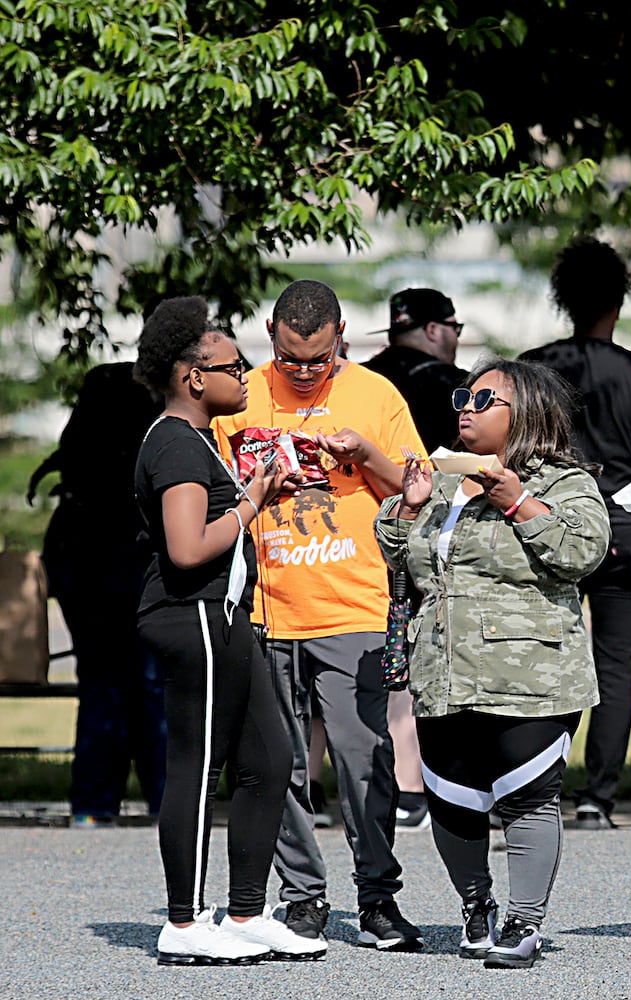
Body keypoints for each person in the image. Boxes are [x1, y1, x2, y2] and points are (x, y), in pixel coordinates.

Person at [375, 359, 610, 969]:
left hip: (532, 674)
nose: (466, 408)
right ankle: (476, 907)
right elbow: (405, 562)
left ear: (524, 414)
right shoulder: (446, 481)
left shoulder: (561, 481)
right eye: (463, 397)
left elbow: (583, 551)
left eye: (483, 400)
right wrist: (407, 508)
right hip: (444, 669)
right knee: (453, 796)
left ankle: (524, 921)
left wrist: (519, 502)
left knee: (528, 794)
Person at [215, 279, 426, 949]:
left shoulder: (376, 394)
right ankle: (302, 899)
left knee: (366, 760)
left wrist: (364, 455)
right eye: (290, 358)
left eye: (319, 359)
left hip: (356, 605)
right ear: (271, 334)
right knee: (278, 766)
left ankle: (377, 900)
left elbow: (418, 490)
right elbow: (213, 501)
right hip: (268, 610)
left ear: (343, 336)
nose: (304, 372)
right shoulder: (241, 397)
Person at [132, 297, 323, 964]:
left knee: (269, 759)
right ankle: (182, 923)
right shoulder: (176, 442)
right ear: (192, 376)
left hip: (227, 615)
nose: (245, 375)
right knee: (196, 765)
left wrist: (258, 491)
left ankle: (244, 912)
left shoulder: (199, 442)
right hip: (193, 615)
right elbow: (187, 549)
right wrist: (253, 500)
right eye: (232, 365)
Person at [519, 236, 631, 830]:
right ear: (619, 301)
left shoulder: (534, 371)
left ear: (564, 300)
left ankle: (531, 789)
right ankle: (598, 798)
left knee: (540, 659)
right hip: (625, 532)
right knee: (617, 666)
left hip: (544, 527)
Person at [29, 354, 166, 827]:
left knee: (101, 684)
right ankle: (164, 801)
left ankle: (93, 802)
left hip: (82, 567)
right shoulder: (150, 434)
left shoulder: (86, 445)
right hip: (131, 565)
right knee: (150, 686)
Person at [363, 287, 470, 832]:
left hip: (359, 534)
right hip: (429, 534)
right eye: (454, 327)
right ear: (435, 329)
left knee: (370, 651)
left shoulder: (362, 380)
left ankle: (350, 782)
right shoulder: (451, 386)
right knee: (411, 647)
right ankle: (413, 786)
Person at [362, 287, 469, 452]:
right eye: (455, 327)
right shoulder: (459, 384)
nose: (456, 336)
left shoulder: (360, 376)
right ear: (433, 330)